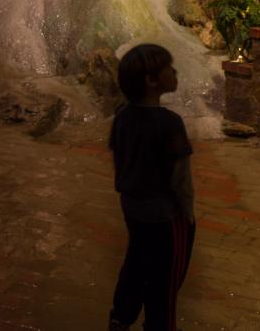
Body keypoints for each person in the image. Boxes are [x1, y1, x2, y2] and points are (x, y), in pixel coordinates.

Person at [108, 44, 195, 331]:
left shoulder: (122, 117)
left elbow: (119, 159)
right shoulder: (170, 123)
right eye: (169, 67)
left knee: (136, 262)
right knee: (166, 278)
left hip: (133, 208)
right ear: (151, 80)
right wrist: (187, 212)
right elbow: (180, 175)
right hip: (165, 215)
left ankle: (120, 318)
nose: (175, 71)